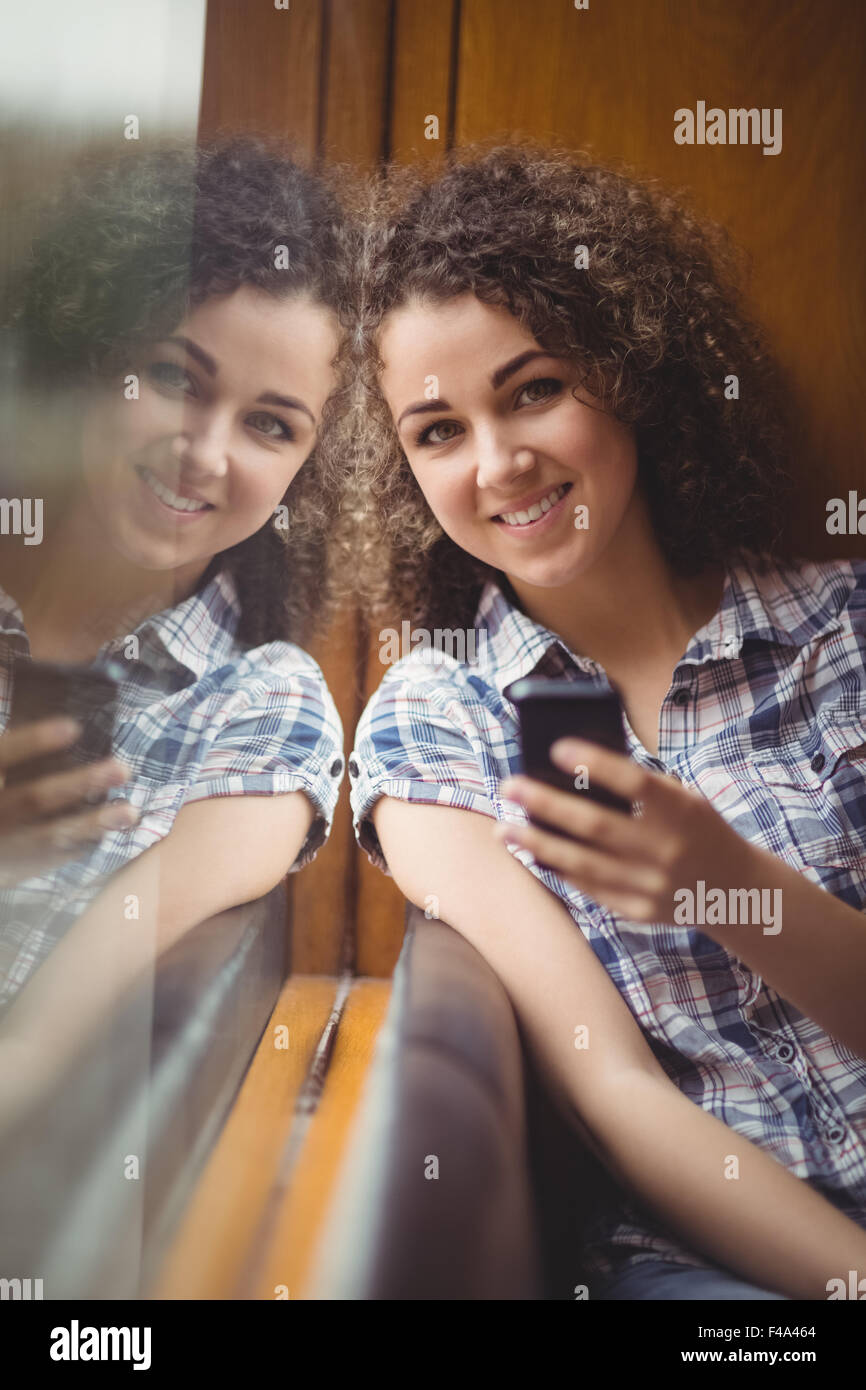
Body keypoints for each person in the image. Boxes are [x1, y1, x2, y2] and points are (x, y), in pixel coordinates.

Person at [345, 144, 866, 1300]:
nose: (498, 462)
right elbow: (615, 1096)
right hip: (708, 1269)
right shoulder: (434, 728)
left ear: (628, 373)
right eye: (436, 431)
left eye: (533, 389)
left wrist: (726, 884)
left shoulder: (845, 633)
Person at [0, 137, 349, 1124]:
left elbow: (26, 1062)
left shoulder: (260, 712)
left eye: (271, 425)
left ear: (303, 475)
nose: (203, 453)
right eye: (172, 376)